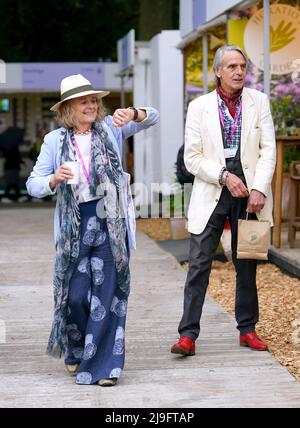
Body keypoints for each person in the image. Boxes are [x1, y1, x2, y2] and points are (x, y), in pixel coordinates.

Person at [27, 74, 159, 386]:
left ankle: (104, 367)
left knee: (108, 295)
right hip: (75, 225)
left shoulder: (112, 128)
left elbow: (153, 117)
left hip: (109, 219)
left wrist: (135, 113)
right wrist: (53, 180)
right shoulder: (54, 141)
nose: (90, 105)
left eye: (93, 100)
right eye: (83, 101)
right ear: (68, 108)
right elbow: (33, 184)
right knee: (74, 297)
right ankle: (76, 349)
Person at [171, 45, 276, 357]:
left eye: (242, 66)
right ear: (217, 71)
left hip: (250, 194)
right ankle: (187, 336)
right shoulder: (199, 106)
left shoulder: (259, 101)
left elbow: (268, 150)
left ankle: (247, 329)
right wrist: (223, 175)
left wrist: (259, 188)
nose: (239, 71)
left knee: (247, 263)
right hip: (213, 190)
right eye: (231, 66)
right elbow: (192, 158)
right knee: (199, 264)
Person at [0, 124, 24, 202]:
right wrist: (21, 161)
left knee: (12, 182)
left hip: (8, 166)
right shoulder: (13, 147)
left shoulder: (5, 146)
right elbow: (16, 157)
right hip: (13, 167)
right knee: (13, 182)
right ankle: (14, 196)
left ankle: (15, 196)